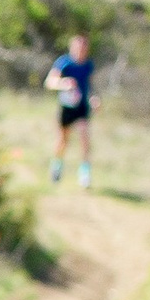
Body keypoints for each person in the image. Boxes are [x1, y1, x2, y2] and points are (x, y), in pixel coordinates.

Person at [47, 33, 95, 188]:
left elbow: (91, 86)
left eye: (84, 47)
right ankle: (57, 167)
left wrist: (94, 98)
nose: (81, 51)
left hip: (82, 107)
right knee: (63, 140)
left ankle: (84, 174)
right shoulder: (64, 63)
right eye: (78, 47)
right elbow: (50, 82)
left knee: (84, 137)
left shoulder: (88, 65)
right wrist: (63, 83)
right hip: (67, 107)